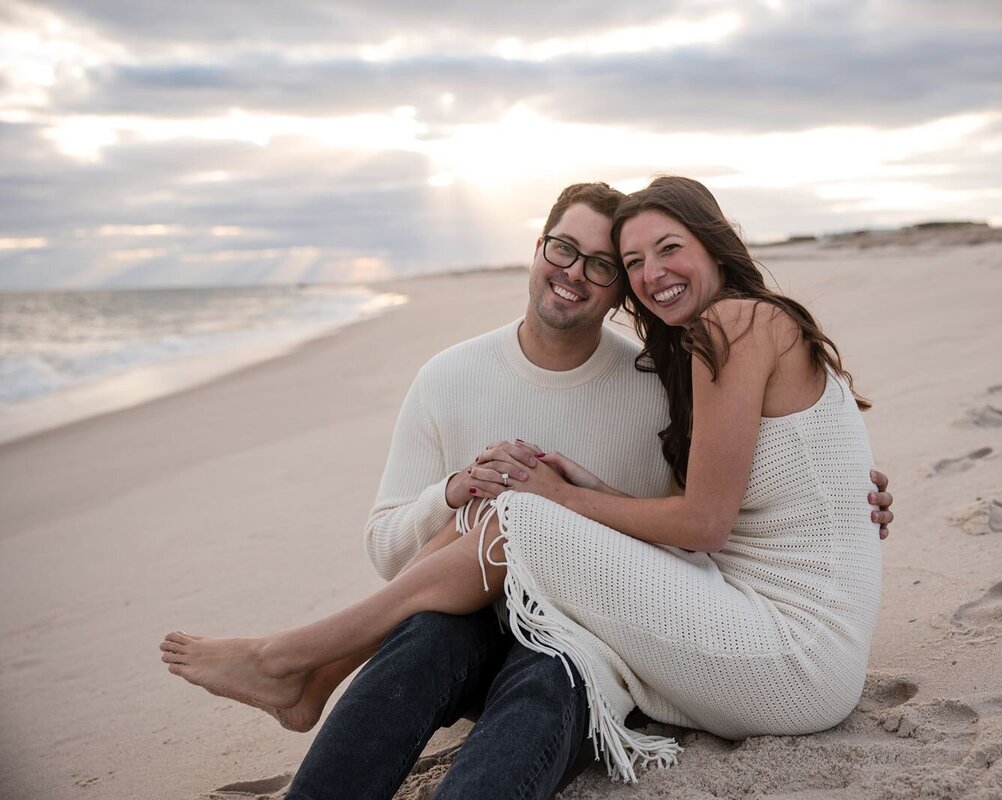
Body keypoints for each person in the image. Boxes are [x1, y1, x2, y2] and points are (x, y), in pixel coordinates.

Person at [161, 180, 894, 797]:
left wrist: (559, 499)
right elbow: (769, 481)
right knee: (499, 516)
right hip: (760, 633)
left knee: (519, 522)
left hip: (787, 652)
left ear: (711, 244)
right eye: (632, 260)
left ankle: (296, 658)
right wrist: (496, 489)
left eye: (658, 251)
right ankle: (310, 676)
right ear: (538, 249)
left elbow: (701, 524)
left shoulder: (722, 331)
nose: (650, 272)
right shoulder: (466, 374)